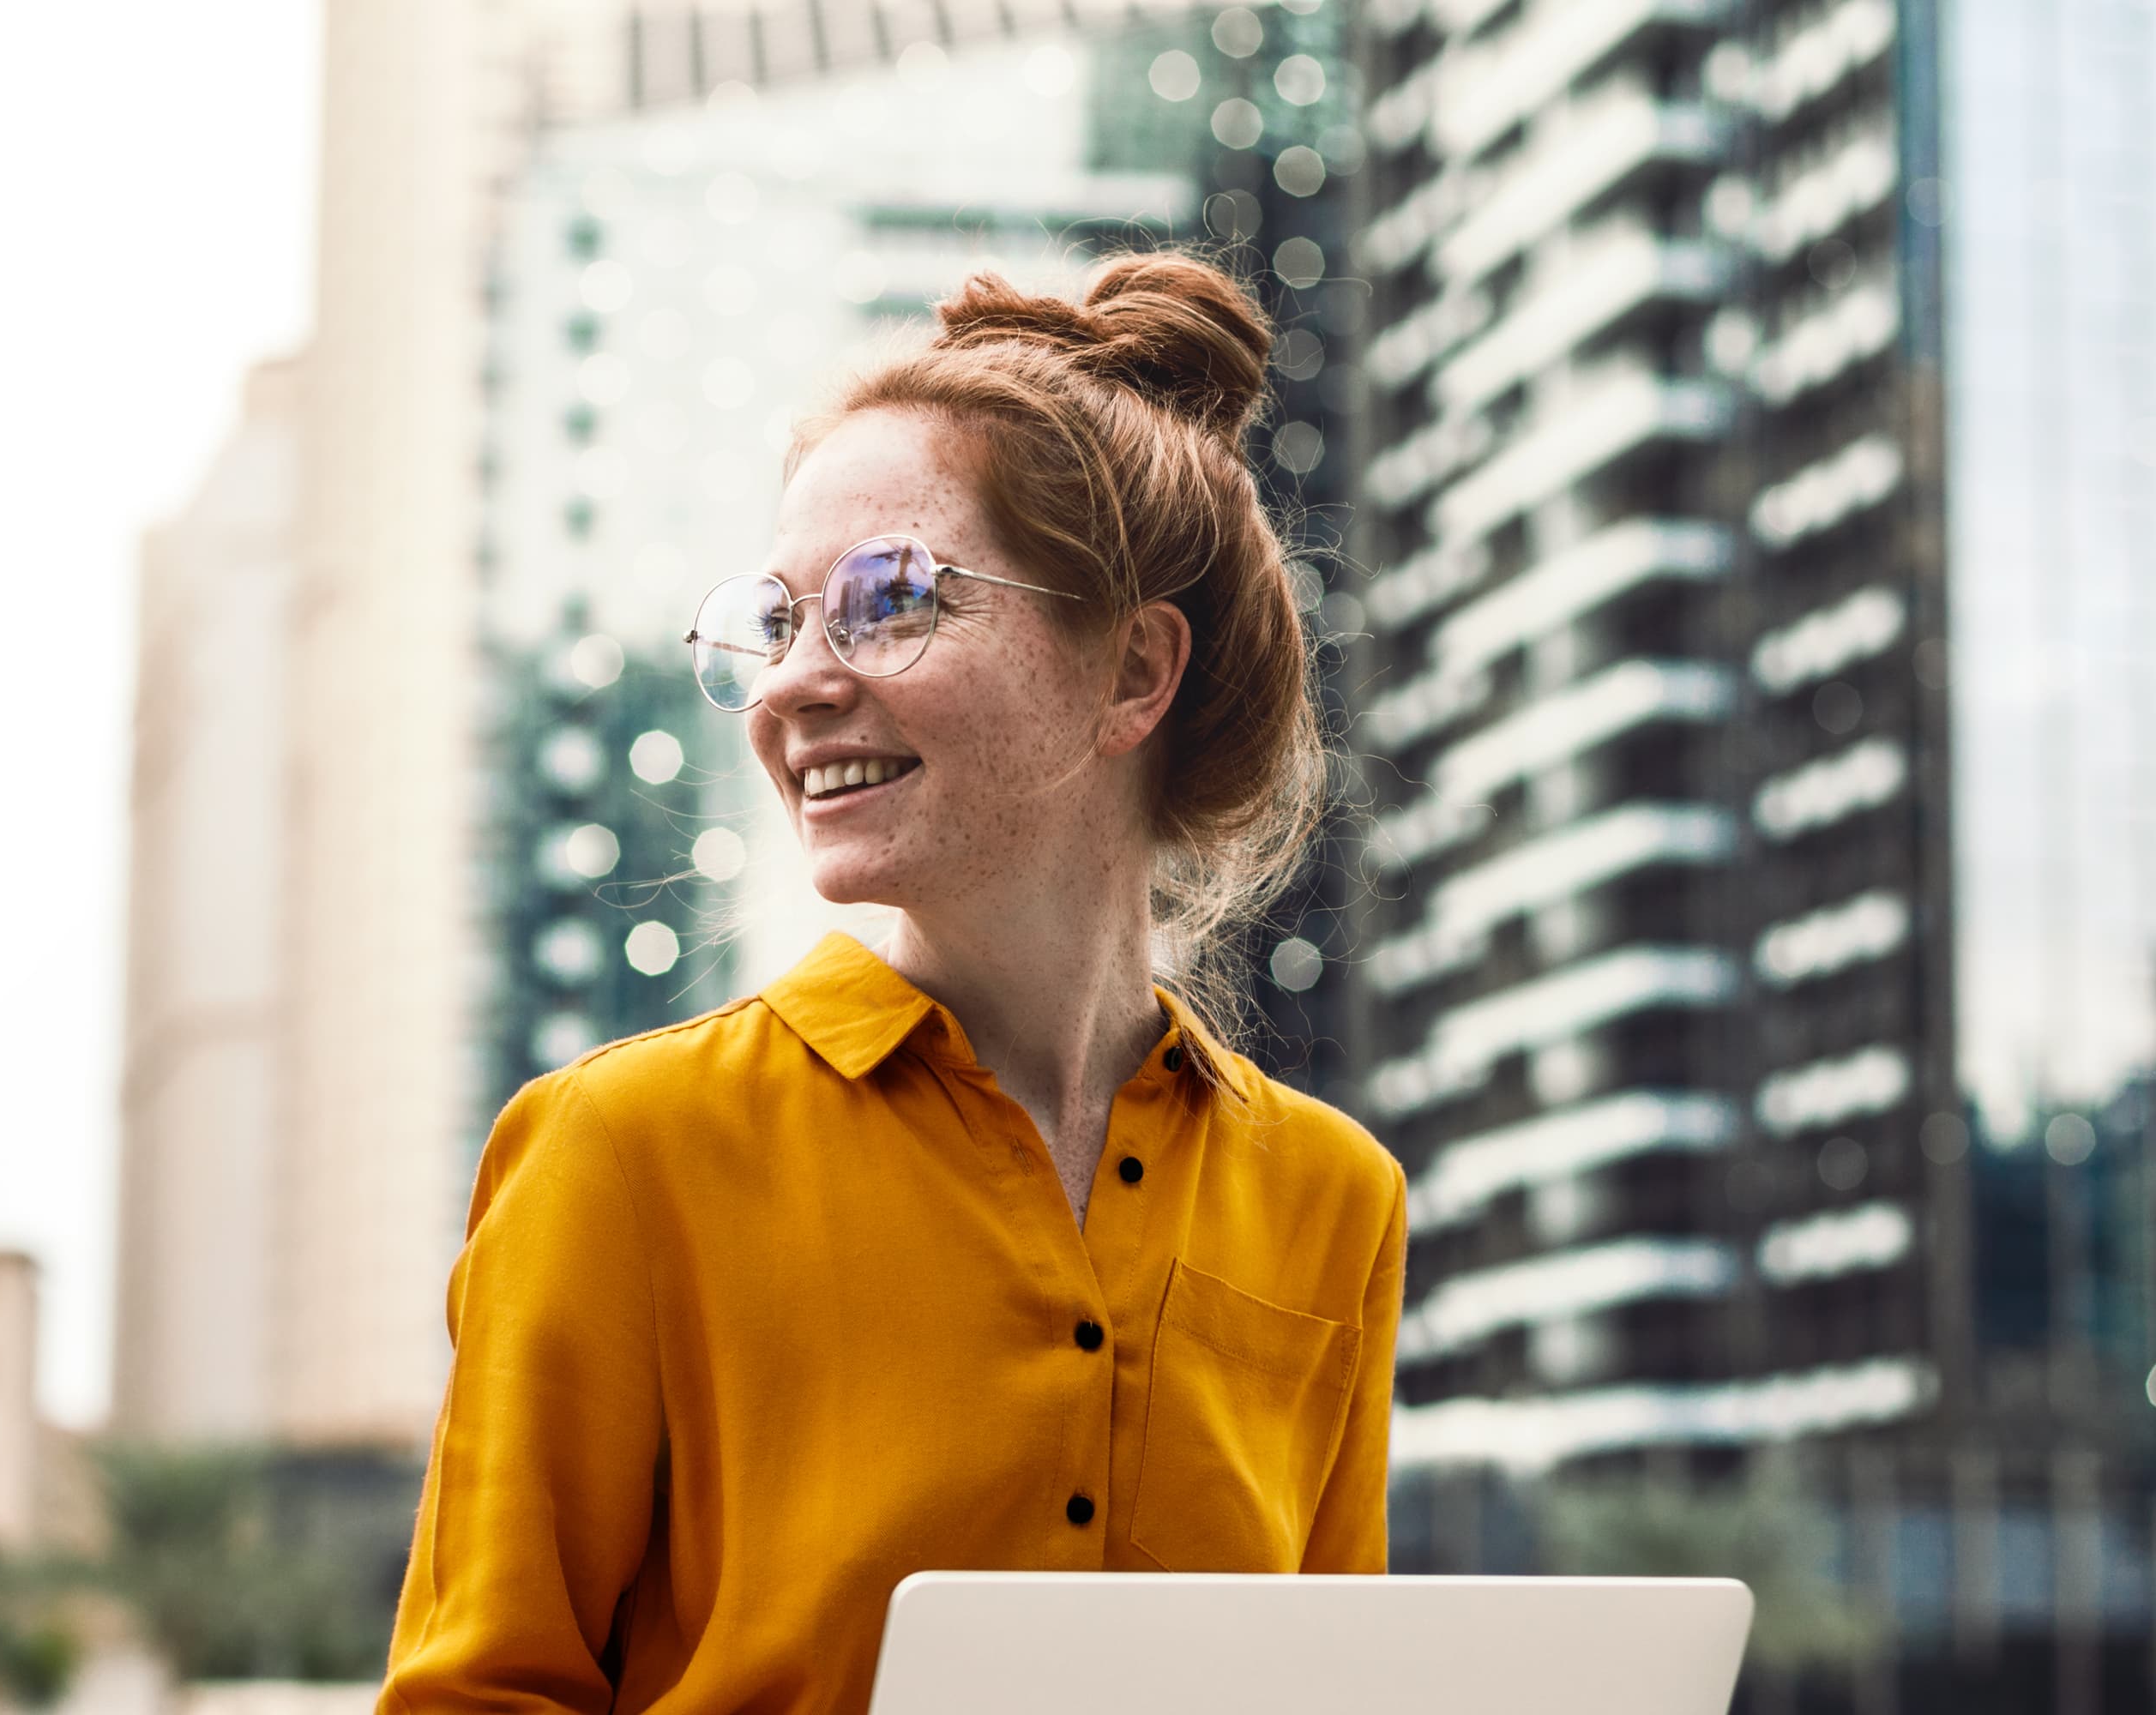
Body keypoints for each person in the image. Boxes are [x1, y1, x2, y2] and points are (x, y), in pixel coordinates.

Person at [380, 252, 1408, 1715]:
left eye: (890, 600)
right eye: (778, 618)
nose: (797, 681)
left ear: (1132, 672)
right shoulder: (622, 1151)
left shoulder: (1334, 1200)